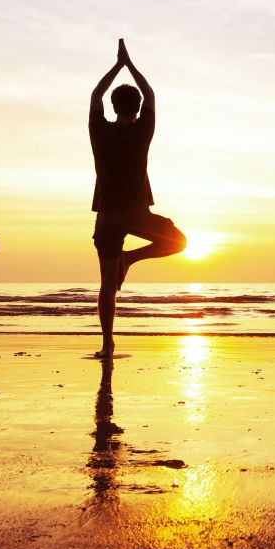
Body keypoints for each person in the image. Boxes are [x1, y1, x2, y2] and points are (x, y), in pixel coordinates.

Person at [89, 39, 186, 357]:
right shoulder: (142, 130)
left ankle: (107, 345)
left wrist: (115, 67)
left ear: (115, 106)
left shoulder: (99, 130)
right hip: (135, 214)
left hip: (106, 218)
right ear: (135, 108)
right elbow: (151, 95)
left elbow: (95, 96)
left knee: (106, 285)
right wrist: (129, 64)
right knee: (178, 242)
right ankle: (131, 259)